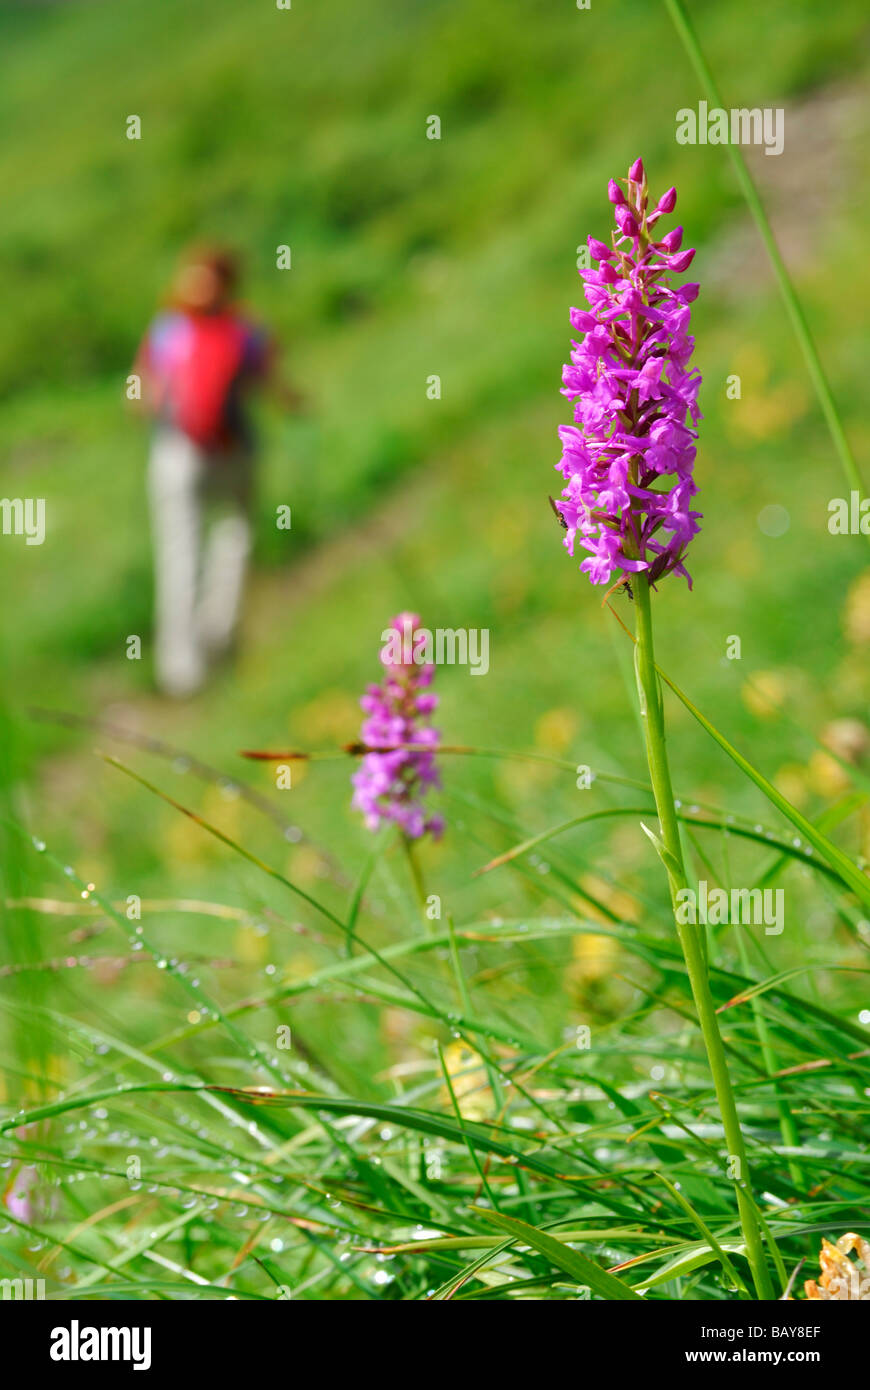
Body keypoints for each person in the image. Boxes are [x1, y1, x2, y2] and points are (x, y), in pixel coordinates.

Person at [135, 246, 295, 696]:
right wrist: (295, 402)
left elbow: (142, 392)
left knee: (180, 551)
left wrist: (154, 405)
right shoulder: (249, 330)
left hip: (176, 451)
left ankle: (181, 668)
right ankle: (217, 640)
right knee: (234, 540)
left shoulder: (168, 329)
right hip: (235, 449)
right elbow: (272, 386)